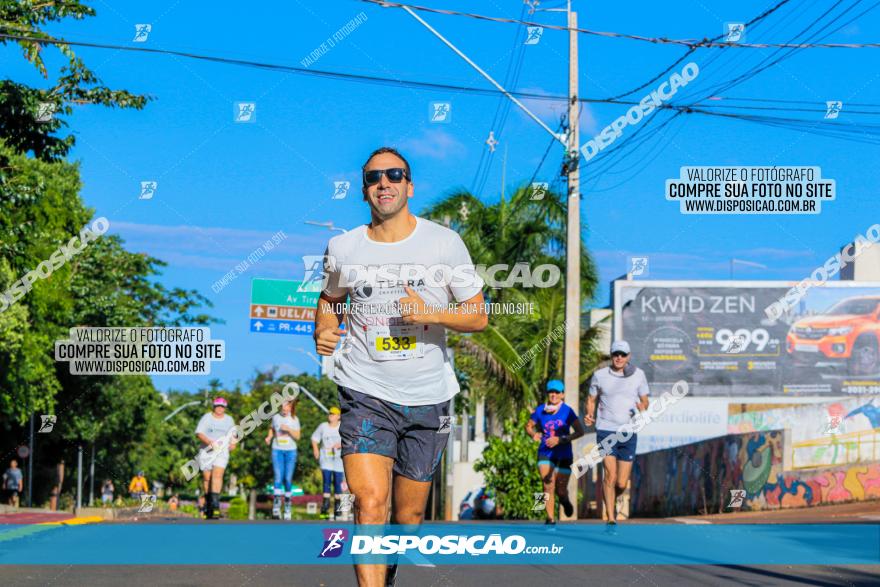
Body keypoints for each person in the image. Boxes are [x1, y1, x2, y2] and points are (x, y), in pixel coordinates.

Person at [314, 147, 487, 586]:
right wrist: (323, 329)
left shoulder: (444, 243)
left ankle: (388, 565)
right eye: (374, 178)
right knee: (370, 500)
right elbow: (329, 301)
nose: (384, 183)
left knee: (407, 518)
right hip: (365, 390)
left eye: (394, 175)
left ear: (409, 186)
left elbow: (477, 316)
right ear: (364, 191)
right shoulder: (342, 247)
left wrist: (430, 313)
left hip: (429, 397)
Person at [585, 340, 650, 525]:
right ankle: (611, 519)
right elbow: (591, 399)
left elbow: (646, 401)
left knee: (621, 483)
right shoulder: (599, 375)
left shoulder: (639, 375)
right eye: (616, 354)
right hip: (605, 430)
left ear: (628, 356)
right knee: (610, 475)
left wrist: (642, 406)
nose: (619, 358)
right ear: (611, 356)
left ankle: (614, 499)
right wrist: (589, 414)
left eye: (623, 354)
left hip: (628, 432)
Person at [526, 380, 585, 525]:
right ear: (547, 394)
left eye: (557, 392)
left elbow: (580, 431)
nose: (553, 395)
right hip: (545, 452)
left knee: (561, 490)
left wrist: (561, 439)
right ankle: (550, 519)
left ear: (562, 394)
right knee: (547, 483)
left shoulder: (567, 411)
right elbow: (528, 426)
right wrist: (533, 434)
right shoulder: (540, 410)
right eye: (551, 392)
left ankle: (565, 501)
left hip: (564, 453)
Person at [195, 397, 237, 520]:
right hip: (206, 451)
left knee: (217, 476)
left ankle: (215, 506)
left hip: (222, 452)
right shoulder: (207, 417)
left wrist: (233, 443)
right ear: (214, 406)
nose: (220, 409)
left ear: (225, 408)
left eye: (222, 407)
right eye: (218, 406)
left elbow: (233, 434)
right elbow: (199, 433)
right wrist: (209, 442)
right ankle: (208, 503)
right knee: (207, 478)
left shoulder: (229, 419)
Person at [265, 398, 301, 520]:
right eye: (283, 408)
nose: (285, 410)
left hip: (291, 451)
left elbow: (298, 436)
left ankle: (287, 506)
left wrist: (289, 429)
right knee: (278, 477)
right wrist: (269, 437)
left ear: (291, 408)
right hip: (277, 450)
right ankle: (276, 506)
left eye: (287, 408)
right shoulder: (275, 417)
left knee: (287, 478)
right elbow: (272, 428)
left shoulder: (294, 419)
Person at [311, 407, 345, 518]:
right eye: (330, 413)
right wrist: (315, 449)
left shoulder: (342, 427)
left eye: (333, 414)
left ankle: (337, 509)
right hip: (326, 459)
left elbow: (349, 440)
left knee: (338, 484)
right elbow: (314, 439)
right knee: (326, 481)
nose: (330, 415)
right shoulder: (323, 426)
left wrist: (340, 445)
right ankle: (325, 508)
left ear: (338, 416)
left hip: (338, 460)